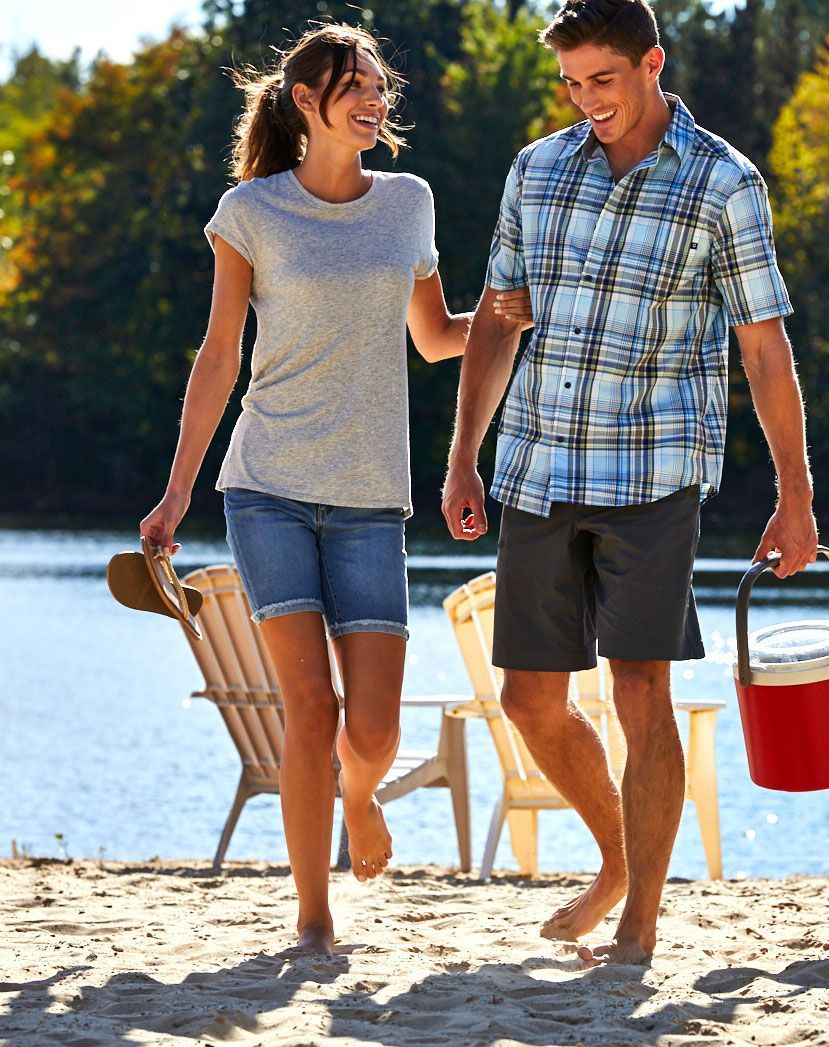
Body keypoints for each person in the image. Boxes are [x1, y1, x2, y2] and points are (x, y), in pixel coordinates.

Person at [139, 24, 527, 956]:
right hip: (265, 487)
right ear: (304, 104)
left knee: (378, 731)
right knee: (309, 712)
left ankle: (361, 795)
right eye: (352, 86)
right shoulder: (251, 211)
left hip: (369, 500)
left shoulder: (408, 203)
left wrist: (509, 312)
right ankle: (314, 915)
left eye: (378, 86)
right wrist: (174, 494)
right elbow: (219, 357)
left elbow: (434, 337)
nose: (372, 100)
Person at [444, 0, 818, 967]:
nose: (585, 101)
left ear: (652, 63)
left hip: (653, 474)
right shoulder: (539, 169)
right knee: (528, 699)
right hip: (536, 463)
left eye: (602, 80)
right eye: (571, 83)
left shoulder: (722, 182)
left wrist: (796, 494)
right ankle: (614, 860)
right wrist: (462, 456)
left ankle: (641, 923)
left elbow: (764, 348)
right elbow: (498, 314)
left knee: (641, 694)